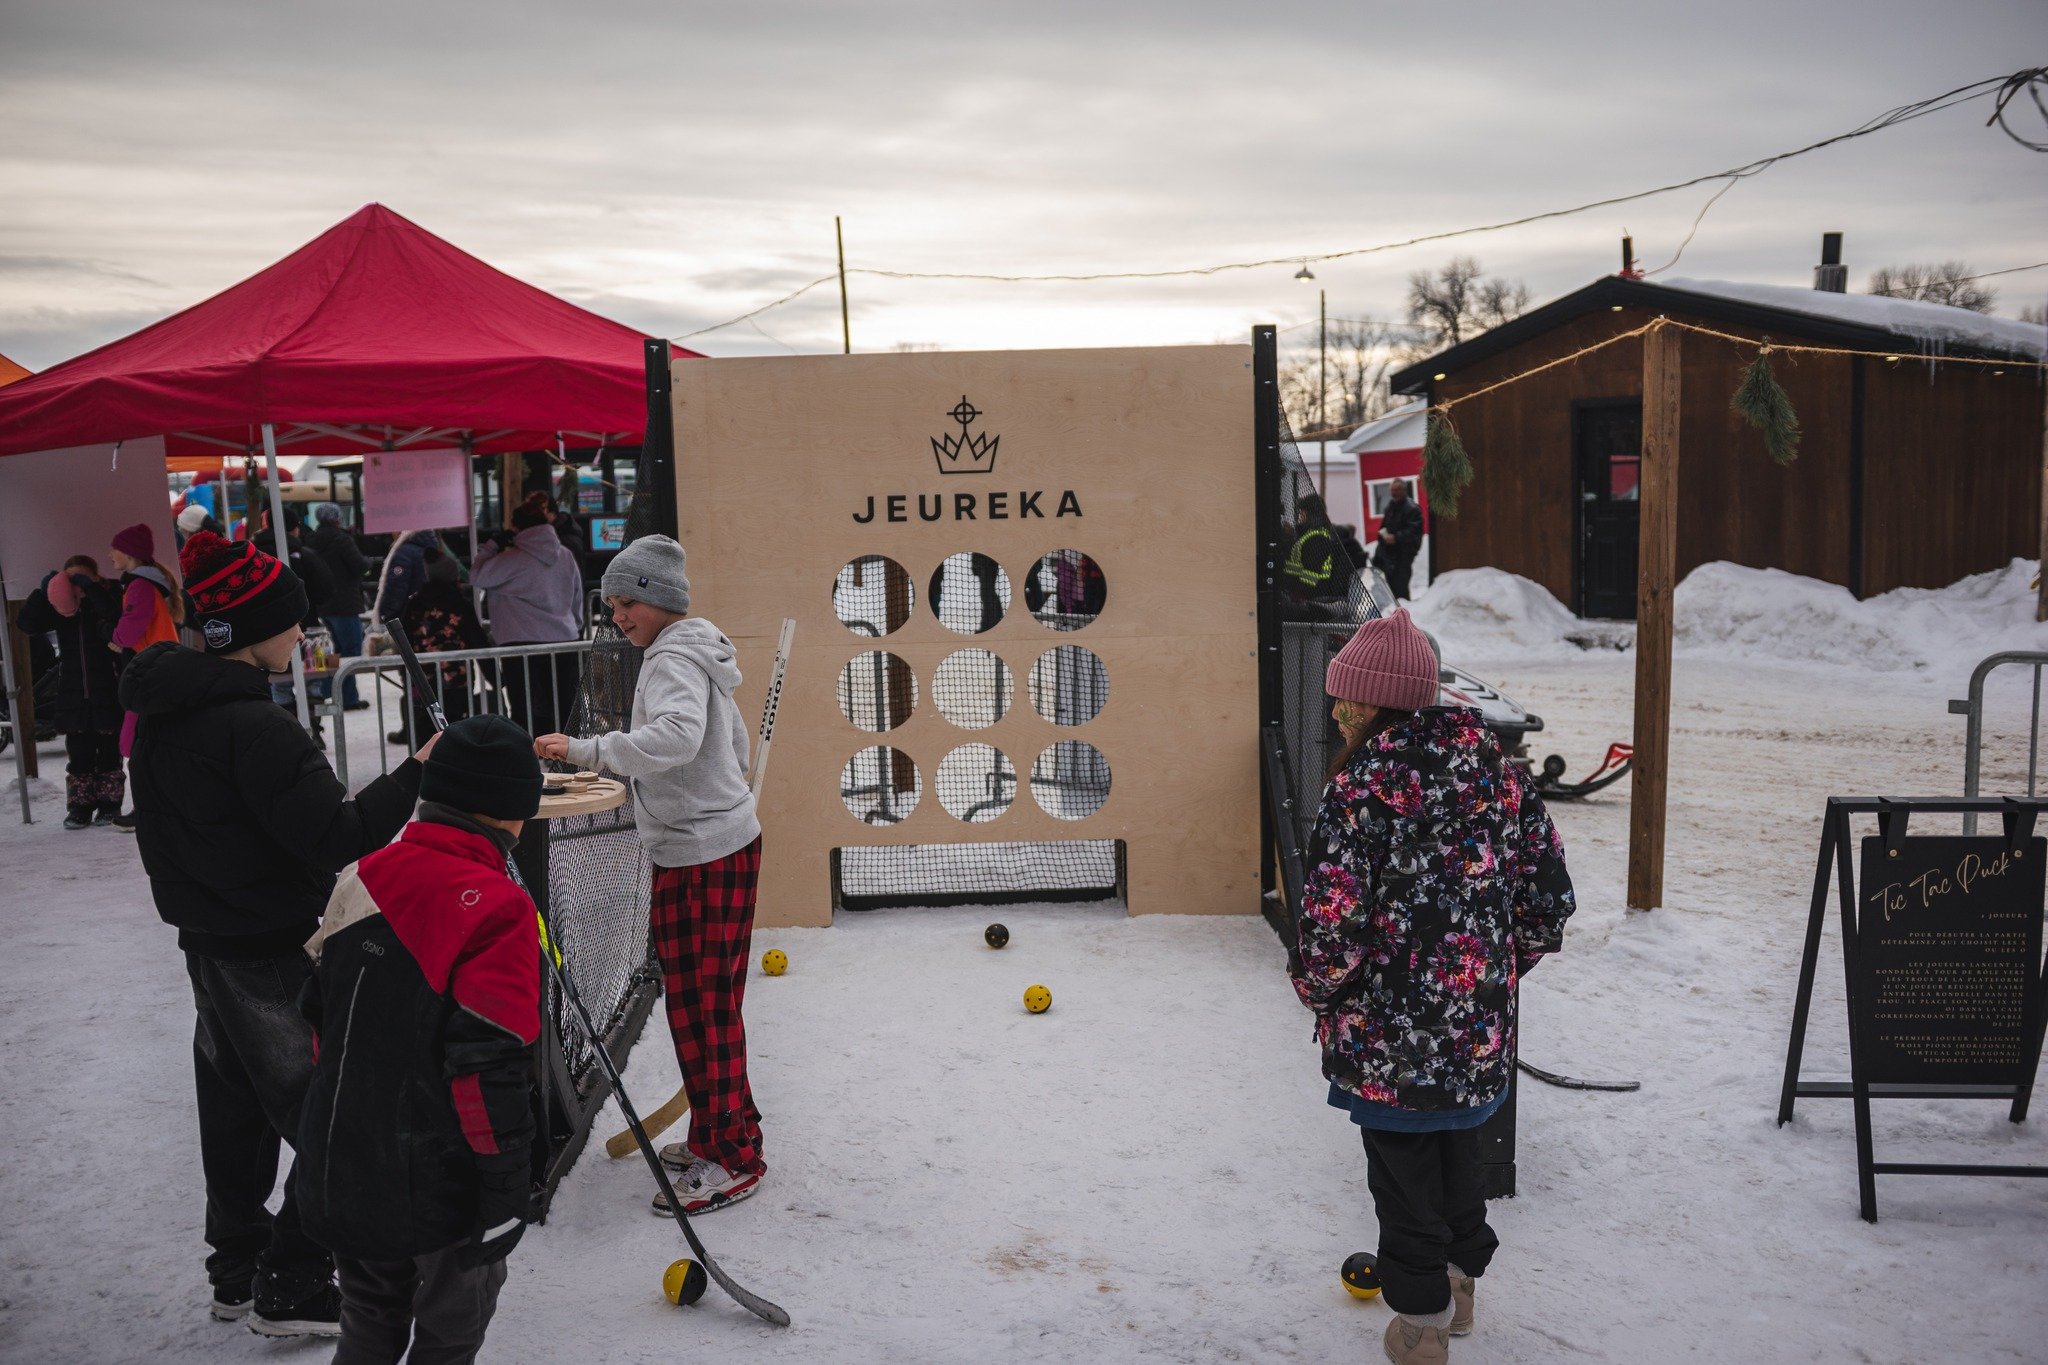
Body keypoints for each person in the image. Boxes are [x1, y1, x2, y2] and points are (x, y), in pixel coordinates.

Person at [120, 529, 434, 1339]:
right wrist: (416, 772)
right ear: (253, 626)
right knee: (330, 1111)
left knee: (235, 1112)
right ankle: (290, 1282)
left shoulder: (166, 712)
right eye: (291, 620)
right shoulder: (253, 726)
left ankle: (237, 1268)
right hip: (267, 950)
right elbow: (336, 834)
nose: (303, 632)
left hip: (210, 946)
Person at [1290, 608, 1575, 1365]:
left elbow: (1331, 926)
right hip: (1476, 1033)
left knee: (1403, 1176)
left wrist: (1320, 990)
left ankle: (1420, 1327)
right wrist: (1489, 977)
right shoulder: (1501, 778)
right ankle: (1460, 1284)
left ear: (1379, 703)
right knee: (1459, 1157)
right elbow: (1548, 904)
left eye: (1346, 698)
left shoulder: (1359, 792)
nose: (1337, 711)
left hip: (1385, 1037)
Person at [296, 715, 542, 1365]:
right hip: (440, 1185)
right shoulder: (498, 907)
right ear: (512, 812)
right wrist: (505, 1188)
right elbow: (488, 1067)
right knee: (450, 1332)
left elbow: (319, 1021)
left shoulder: (360, 875)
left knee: (369, 1317)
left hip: (342, 1159)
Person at [533, 535, 765, 1216]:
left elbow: (678, 738)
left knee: (702, 1010)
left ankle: (734, 1157)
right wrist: (719, 796)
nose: (617, 616)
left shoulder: (671, 659)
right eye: (610, 605)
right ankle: (726, 1132)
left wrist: (587, 750)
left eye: (624, 602)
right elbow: (732, 742)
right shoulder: (696, 650)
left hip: (702, 857)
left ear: (657, 598)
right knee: (706, 1006)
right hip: (714, 846)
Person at [15, 556, 125, 827]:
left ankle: (110, 806)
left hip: (107, 689)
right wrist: (43, 592)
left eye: (81, 579)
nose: (76, 586)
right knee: (79, 756)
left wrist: (92, 590)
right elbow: (27, 624)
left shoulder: (107, 597)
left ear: (95, 578)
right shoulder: (61, 609)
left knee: (110, 755)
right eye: (71, 579)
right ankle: (79, 808)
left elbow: (116, 618)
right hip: (73, 693)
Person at [473, 502, 584, 737]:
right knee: (563, 705)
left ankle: (529, 752)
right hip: (564, 640)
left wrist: (492, 545)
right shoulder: (565, 556)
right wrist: (576, 625)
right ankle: (566, 753)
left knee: (525, 708)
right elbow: (577, 595)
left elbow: (477, 575)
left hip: (520, 642)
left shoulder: (510, 559)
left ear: (515, 528)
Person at [108, 522, 186, 802]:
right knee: (150, 738)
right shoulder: (149, 583)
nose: (110, 555)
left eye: (114, 549)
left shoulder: (139, 586)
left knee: (137, 740)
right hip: (160, 665)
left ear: (129, 553)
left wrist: (114, 636)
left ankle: (153, 805)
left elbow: (130, 628)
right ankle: (158, 803)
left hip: (150, 668)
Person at [388, 548, 494, 746]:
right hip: (457, 680)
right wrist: (495, 677)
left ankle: (424, 764)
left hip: (422, 680)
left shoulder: (415, 603)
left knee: (425, 734)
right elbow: (477, 640)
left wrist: (406, 676)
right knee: (454, 730)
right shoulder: (460, 604)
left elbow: (405, 642)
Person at [308, 504, 372, 711]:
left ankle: (328, 691)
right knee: (351, 651)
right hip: (345, 603)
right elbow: (359, 566)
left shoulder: (312, 540)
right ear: (336, 518)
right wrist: (368, 562)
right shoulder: (342, 539)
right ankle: (349, 698)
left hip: (323, 605)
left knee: (332, 651)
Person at [374, 529, 441, 625]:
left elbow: (396, 587)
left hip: (406, 615)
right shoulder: (431, 549)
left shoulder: (403, 553)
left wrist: (387, 614)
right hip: (427, 612)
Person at [1374, 480, 1426, 602]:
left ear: (1404, 490)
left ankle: (1403, 608)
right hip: (1389, 552)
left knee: (1400, 585)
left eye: (1397, 490)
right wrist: (1383, 536)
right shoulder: (1391, 506)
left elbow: (1413, 531)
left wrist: (1396, 537)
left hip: (1404, 552)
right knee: (1389, 584)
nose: (1394, 493)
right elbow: (1384, 525)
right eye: (1392, 490)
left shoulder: (1412, 508)